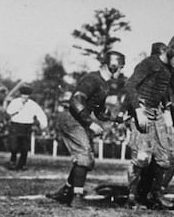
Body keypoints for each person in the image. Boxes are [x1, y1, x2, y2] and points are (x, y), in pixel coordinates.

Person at [47, 51, 125, 206]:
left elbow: (100, 112)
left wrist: (118, 118)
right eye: (121, 67)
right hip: (70, 118)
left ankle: (66, 191)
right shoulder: (93, 79)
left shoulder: (103, 83)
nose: (121, 71)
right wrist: (90, 124)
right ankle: (76, 197)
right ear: (114, 65)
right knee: (85, 157)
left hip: (77, 119)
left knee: (86, 159)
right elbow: (76, 101)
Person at [124, 34, 174, 209]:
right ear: (171, 49)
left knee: (165, 158)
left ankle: (154, 195)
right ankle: (132, 197)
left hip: (157, 112)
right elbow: (130, 85)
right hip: (142, 110)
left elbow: (171, 88)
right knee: (142, 157)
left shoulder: (170, 68)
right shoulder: (150, 63)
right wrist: (138, 110)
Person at [5, 85, 48, 171]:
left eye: (27, 95)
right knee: (14, 146)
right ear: (20, 94)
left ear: (29, 95)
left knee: (25, 148)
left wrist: (43, 124)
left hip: (27, 127)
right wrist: (18, 108)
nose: (25, 96)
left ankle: (22, 164)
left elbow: (40, 113)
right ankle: (13, 161)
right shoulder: (15, 102)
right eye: (23, 94)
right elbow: (8, 111)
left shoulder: (32, 104)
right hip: (16, 126)